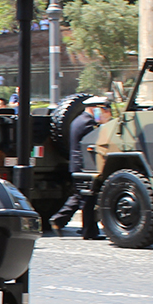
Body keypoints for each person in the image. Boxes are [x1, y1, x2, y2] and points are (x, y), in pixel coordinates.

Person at [50, 96, 111, 239]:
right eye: (102, 109)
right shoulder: (87, 122)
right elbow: (98, 141)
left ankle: (66, 222)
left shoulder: (80, 120)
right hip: (84, 165)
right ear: (94, 108)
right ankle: (82, 229)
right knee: (86, 198)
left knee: (81, 197)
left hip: (80, 164)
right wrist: (104, 124)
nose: (103, 112)